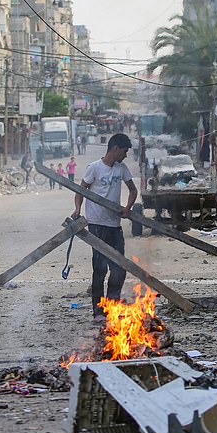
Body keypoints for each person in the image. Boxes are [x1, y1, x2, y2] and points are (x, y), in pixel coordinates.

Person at [70, 133, 138, 322]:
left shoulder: (121, 169)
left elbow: (133, 190)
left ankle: (113, 307)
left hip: (114, 225)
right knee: (100, 269)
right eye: (124, 151)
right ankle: (99, 311)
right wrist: (77, 209)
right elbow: (80, 191)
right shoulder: (94, 168)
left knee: (119, 268)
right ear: (115, 148)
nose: (125, 155)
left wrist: (127, 208)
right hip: (97, 225)